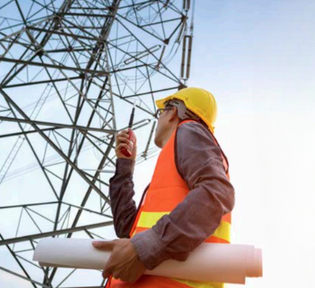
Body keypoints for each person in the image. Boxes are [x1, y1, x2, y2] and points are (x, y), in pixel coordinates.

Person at [92, 87, 235, 288]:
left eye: (161, 112)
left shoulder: (189, 129)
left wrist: (146, 247)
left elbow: (217, 193)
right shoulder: (172, 167)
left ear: (173, 111)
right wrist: (125, 165)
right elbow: (127, 228)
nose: (158, 119)